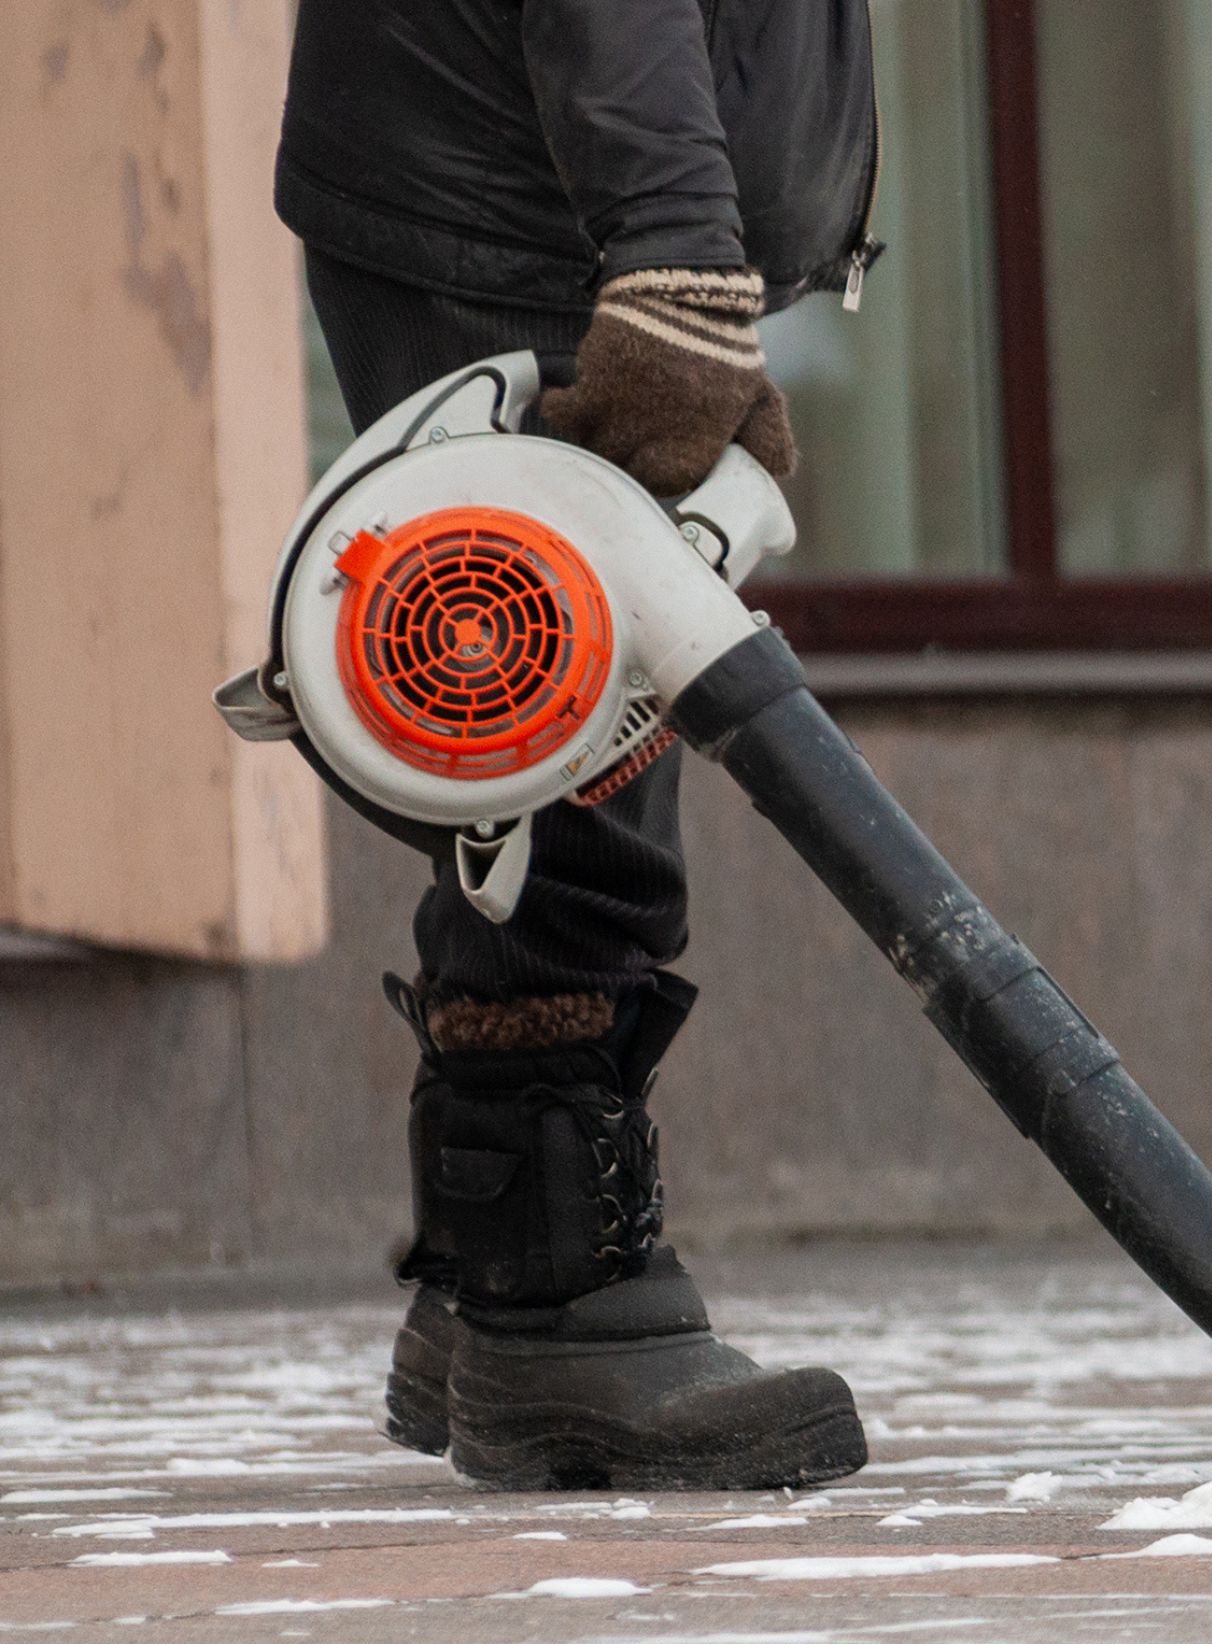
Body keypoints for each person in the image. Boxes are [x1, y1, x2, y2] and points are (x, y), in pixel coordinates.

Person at [274, 0, 879, 1492]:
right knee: (550, 735)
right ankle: (559, 1313)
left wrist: (700, 247)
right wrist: (672, 245)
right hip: (514, 176)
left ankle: (484, 1268)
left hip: (562, 170)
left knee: (561, 724)